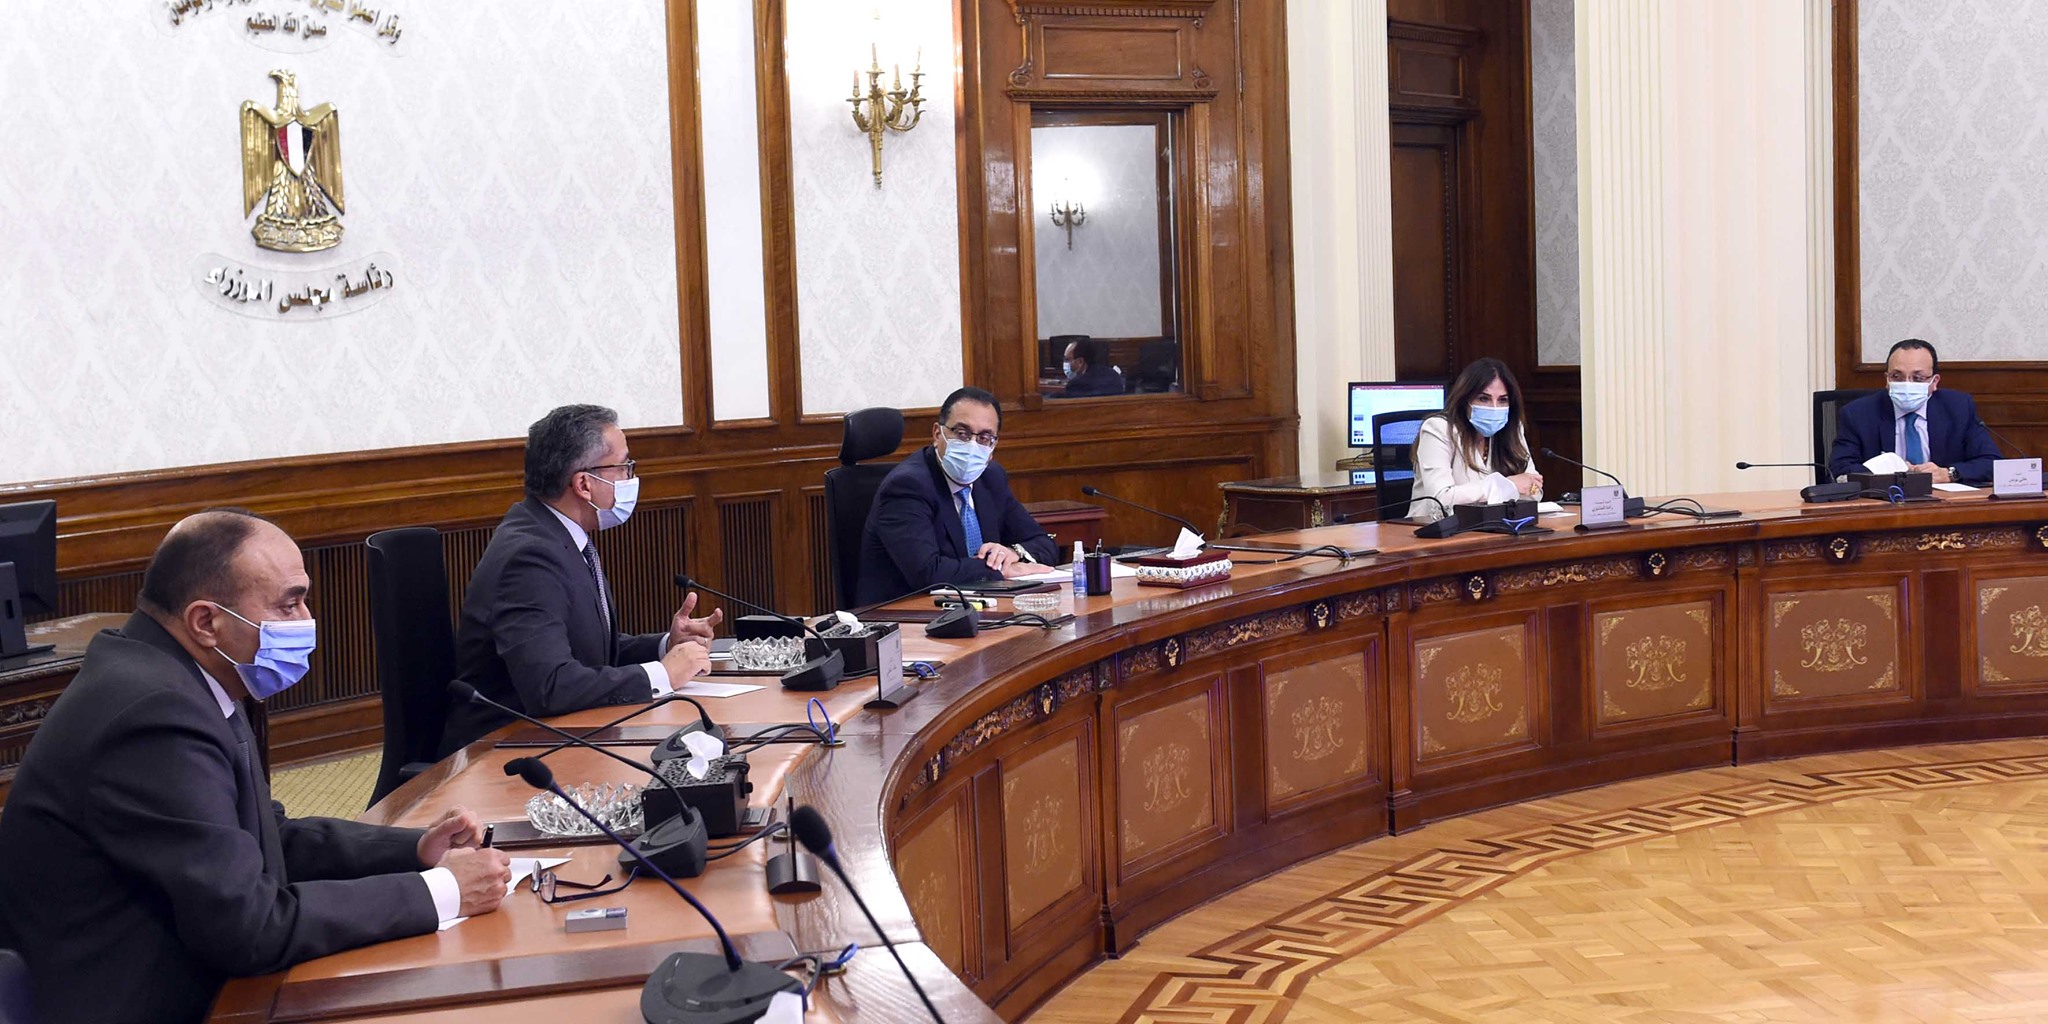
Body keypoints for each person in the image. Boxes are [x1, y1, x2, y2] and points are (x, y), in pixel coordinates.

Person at [0, 510, 513, 1024]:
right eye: (289, 604)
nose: (307, 619)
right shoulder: (154, 715)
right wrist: (442, 891)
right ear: (206, 622)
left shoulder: (182, 675)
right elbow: (252, 928)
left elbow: (267, 836)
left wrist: (414, 851)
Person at [441, 404, 720, 754]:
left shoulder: (557, 534)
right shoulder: (529, 558)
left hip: (554, 735)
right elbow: (551, 685)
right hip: (502, 751)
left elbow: (585, 653)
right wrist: (662, 675)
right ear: (584, 484)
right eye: (624, 466)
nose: (631, 477)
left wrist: (665, 646)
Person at [855, 387, 1059, 605]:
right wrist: (1000, 569)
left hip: (975, 607)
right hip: (905, 614)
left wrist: (1012, 553)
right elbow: (928, 573)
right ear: (937, 434)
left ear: (993, 447)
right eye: (962, 433)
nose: (972, 445)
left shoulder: (991, 478)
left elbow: (1044, 543)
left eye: (984, 437)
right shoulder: (907, 486)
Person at [1827, 338, 2000, 484]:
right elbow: (1840, 469)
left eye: (1918, 378)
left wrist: (1948, 474)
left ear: (1934, 382)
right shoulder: (1858, 413)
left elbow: (1992, 463)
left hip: (1944, 504)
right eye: (1897, 377)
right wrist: (1890, 473)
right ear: (1887, 380)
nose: (1907, 384)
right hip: (1884, 503)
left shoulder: (1958, 408)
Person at [1409, 358, 1543, 522]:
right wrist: (1506, 486)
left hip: (1495, 526)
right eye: (1484, 398)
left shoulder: (1512, 429)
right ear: (1465, 399)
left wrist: (1520, 487)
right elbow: (1442, 499)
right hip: (1435, 530)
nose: (1494, 408)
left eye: (1503, 400)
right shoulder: (1438, 429)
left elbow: (1535, 491)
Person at [1054, 338, 1126, 398]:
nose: (1065, 363)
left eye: (1067, 359)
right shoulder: (1113, 375)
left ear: (1080, 362)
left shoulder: (1077, 384)